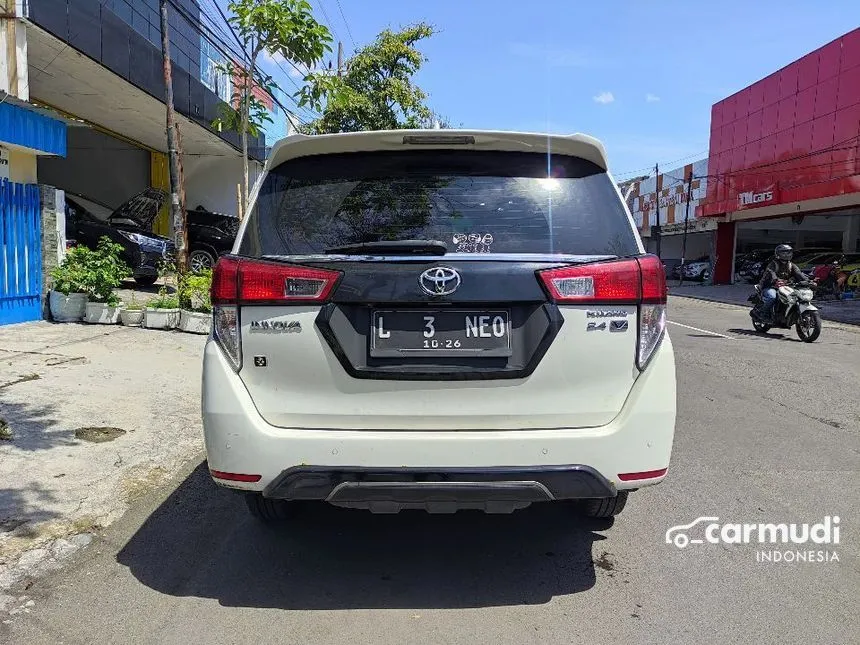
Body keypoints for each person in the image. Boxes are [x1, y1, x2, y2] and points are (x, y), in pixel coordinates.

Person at [755, 244, 808, 323]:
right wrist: (775, 279)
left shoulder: (791, 265)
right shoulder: (773, 264)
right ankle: (762, 313)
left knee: (796, 296)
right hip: (770, 286)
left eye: (788, 252)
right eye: (784, 253)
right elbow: (771, 273)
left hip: (785, 287)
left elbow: (799, 274)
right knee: (772, 297)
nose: (786, 255)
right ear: (778, 254)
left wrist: (809, 281)